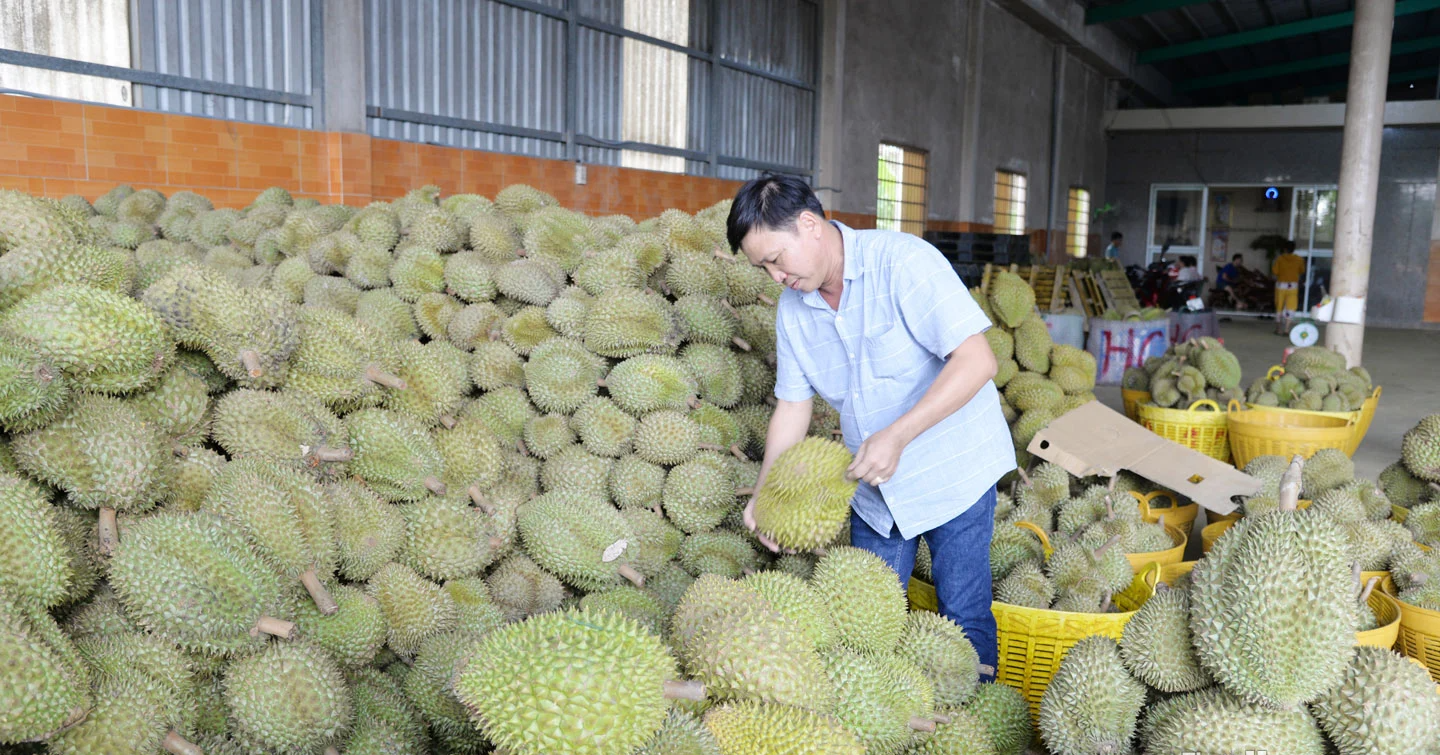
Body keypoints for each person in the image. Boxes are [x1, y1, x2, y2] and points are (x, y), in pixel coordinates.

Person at [726, 174, 1015, 676]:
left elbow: (976, 361)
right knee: (860, 626)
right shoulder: (793, 310)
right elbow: (792, 407)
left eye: (775, 259)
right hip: (876, 490)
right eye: (762, 268)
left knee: (964, 613)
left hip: (955, 472)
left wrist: (899, 434)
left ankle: (974, 727)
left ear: (809, 225)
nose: (774, 277)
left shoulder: (903, 262)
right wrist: (764, 493)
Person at [1272, 240, 1305, 331]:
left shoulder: (1280, 259)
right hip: (1293, 286)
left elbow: (1275, 271)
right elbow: (1301, 270)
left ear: (1285, 249)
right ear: (1294, 249)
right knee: (1291, 306)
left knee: (1279, 306)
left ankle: (1278, 329)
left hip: (1281, 285)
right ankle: (1287, 329)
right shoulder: (1299, 259)